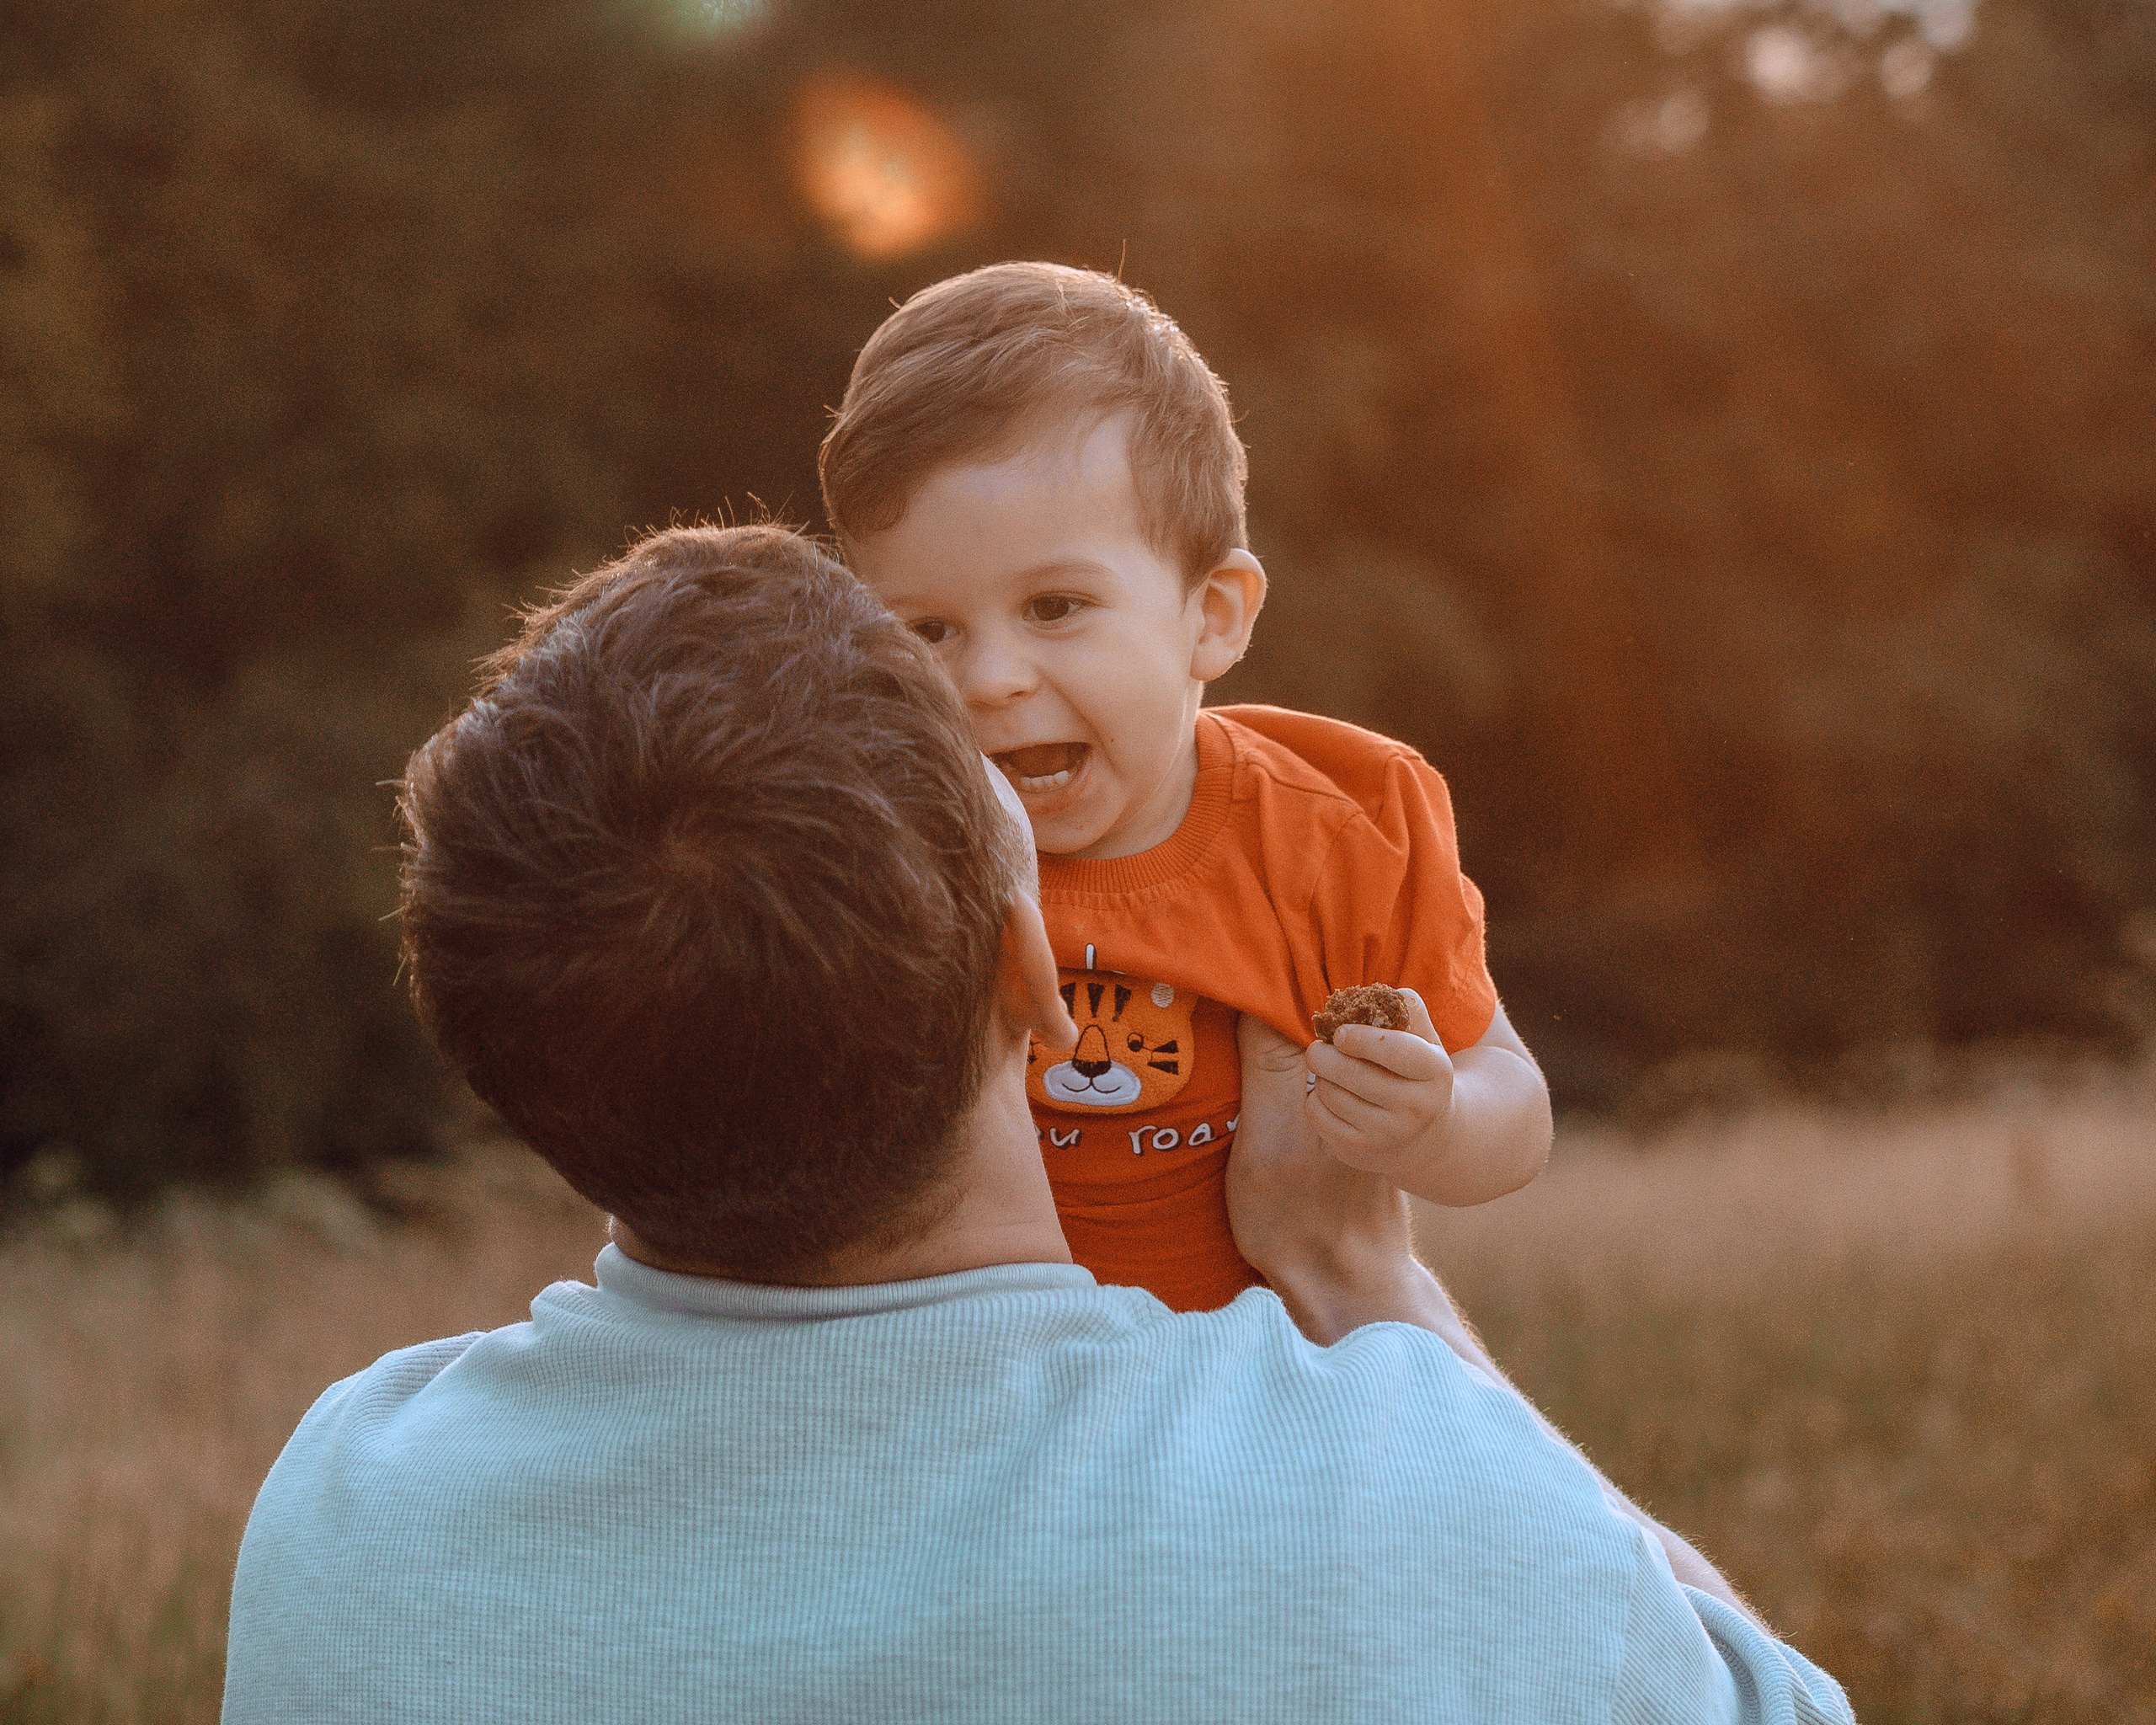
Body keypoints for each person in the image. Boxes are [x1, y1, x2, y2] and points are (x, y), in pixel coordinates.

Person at [222, 523, 1852, 1724]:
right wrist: (1371, 1285)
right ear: (1032, 969)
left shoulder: (352, 1519)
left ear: (505, 1064)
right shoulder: (1396, 1493)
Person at [822, 262, 1552, 1312]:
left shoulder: (1331, 825)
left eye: (1055, 606)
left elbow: (1514, 1108)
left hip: (1260, 1376)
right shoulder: (872, 852)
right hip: (975, 1375)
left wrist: (1437, 1121)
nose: (989, 679)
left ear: (1213, 615)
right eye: (927, 629)